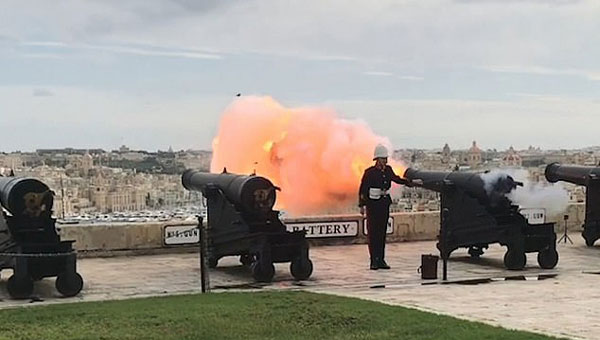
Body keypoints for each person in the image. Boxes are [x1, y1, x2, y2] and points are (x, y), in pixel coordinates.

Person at [359, 144, 415, 270]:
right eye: (383, 159)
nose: (385, 161)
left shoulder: (388, 170)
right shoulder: (370, 173)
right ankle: (374, 260)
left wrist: (409, 183)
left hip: (383, 203)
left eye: (386, 159)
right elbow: (363, 189)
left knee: (382, 233)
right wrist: (362, 205)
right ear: (377, 159)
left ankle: (381, 259)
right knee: (373, 233)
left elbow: (396, 179)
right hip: (373, 204)